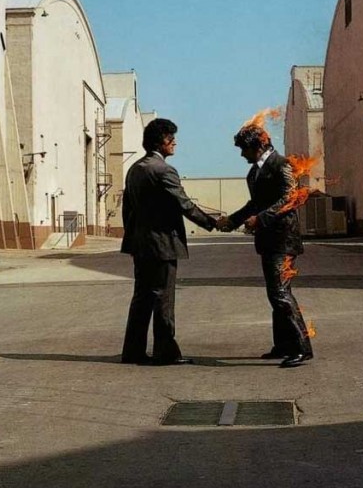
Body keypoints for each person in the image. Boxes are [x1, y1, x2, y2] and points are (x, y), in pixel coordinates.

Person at [120, 118, 217, 365]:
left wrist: (133, 237)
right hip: (162, 244)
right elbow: (184, 204)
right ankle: (165, 352)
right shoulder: (164, 170)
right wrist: (213, 222)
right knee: (163, 297)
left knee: (142, 297)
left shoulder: (134, 169)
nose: (175, 142)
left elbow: (127, 209)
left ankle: (133, 351)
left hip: (141, 244)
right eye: (170, 138)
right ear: (158, 142)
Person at [217, 125, 314, 368]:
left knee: (280, 293)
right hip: (268, 241)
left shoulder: (282, 165)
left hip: (283, 240)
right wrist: (232, 221)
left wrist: (260, 219)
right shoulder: (254, 173)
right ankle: (282, 345)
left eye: (244, 149)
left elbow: (290, 199)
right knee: (276, 294)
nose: (242, 154)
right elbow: (254, 203)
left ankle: (301, 347)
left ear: (259, 146)